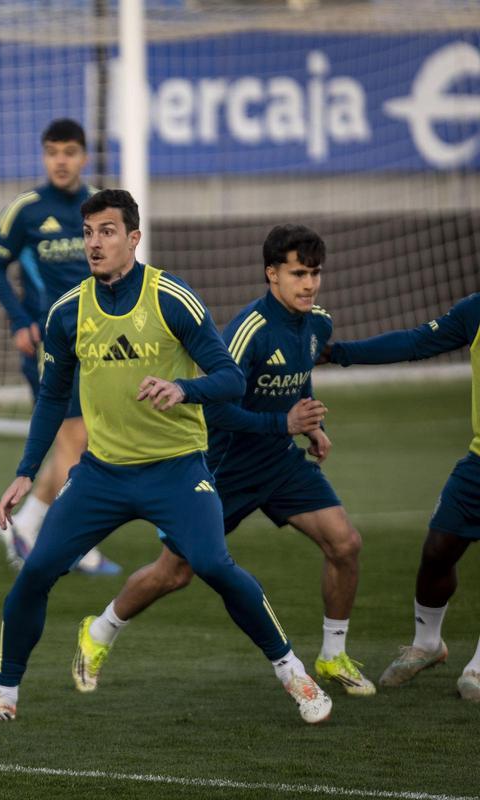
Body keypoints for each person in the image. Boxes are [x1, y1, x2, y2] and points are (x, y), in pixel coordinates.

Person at [0, 190, 332, 727]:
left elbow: (230, 378)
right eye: (89, 232)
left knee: (210, 565)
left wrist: (184, 389)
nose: (94, 242)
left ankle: (293, 672)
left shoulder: (172, 299)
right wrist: (24, 473)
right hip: (101, 475)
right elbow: (50, 398)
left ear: (134, 238)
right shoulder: (68, 313)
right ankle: (3, 695)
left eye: (107, 231)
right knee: (36, 570)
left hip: (177, 469)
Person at [72, 224, 375, 699]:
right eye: (298, 273)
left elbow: (298, 374)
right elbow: (214, 407)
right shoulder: (248, 330)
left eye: (315, 273)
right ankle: (100, 631)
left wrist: (310, 422)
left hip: (279, 464)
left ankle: (332, 653)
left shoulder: (319, 323)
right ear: (271, 274)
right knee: (174, 572)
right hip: (224, 469)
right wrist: (285, 424)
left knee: (345, 543)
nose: (309, 284)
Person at [320, 291, 480, 701]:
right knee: (438, 549)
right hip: (478, 463)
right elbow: (413, 342)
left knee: (471, 690)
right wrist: (338, 352)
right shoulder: (475, 310)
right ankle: (428, 643)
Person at [0, 118, 118, 575]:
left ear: (84, 157)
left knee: (76, 444)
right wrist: (20, 320)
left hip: (96, 344)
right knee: (77, 443)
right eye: (53, 152)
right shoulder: (26, 209)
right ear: (44, 157)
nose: (61, 161)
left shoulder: (99, 205)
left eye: (70, 152)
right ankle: (72, 542)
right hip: (48, 344)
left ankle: (26, 524)